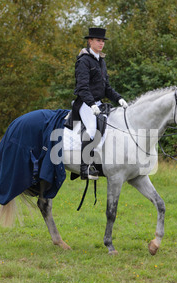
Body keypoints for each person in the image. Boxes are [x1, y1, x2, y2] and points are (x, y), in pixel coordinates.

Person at [72, 27, 128, 180]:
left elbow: (106, 88)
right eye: (98, 40)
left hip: (98, 103)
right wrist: (91, 104)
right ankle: (84, 168)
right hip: (85, 103)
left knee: (109, 130)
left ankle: (100, 164)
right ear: (90, 41)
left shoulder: (101, 61)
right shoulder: (84, 61)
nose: (101, 43)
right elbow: (82, 88)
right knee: (91, 130)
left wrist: (119, 99)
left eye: (102, 41)